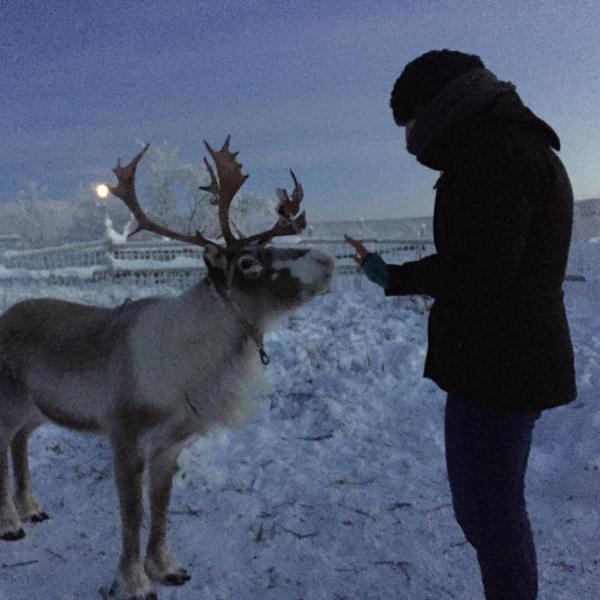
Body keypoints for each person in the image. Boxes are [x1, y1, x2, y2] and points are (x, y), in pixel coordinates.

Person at [345, 49, 576, 600]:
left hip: (502, 367)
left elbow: (481, 268)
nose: (411, 140)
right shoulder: (500, 148)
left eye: (412, 123)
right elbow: (482, 259)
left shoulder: (497, 155)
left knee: (490, 515)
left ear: (442, 106)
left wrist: (394, 276)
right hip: (498, 361)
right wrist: (392, 275)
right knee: (487, 512)